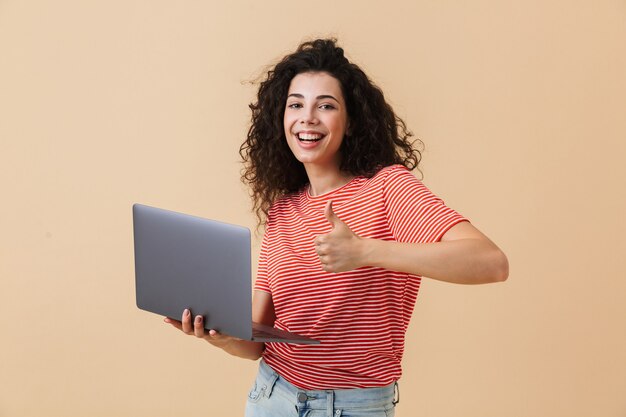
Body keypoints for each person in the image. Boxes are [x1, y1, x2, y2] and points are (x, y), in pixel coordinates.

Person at [164, 38, 509, 417]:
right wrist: (223, 338)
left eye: (325, 106)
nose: (307, 117)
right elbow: (257, 341)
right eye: (295, 105)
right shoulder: (283, 207)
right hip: (271, 396)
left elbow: (491, 262)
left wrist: (366, 251)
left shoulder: (387, 187)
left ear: (351, 120)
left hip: (352, 407)